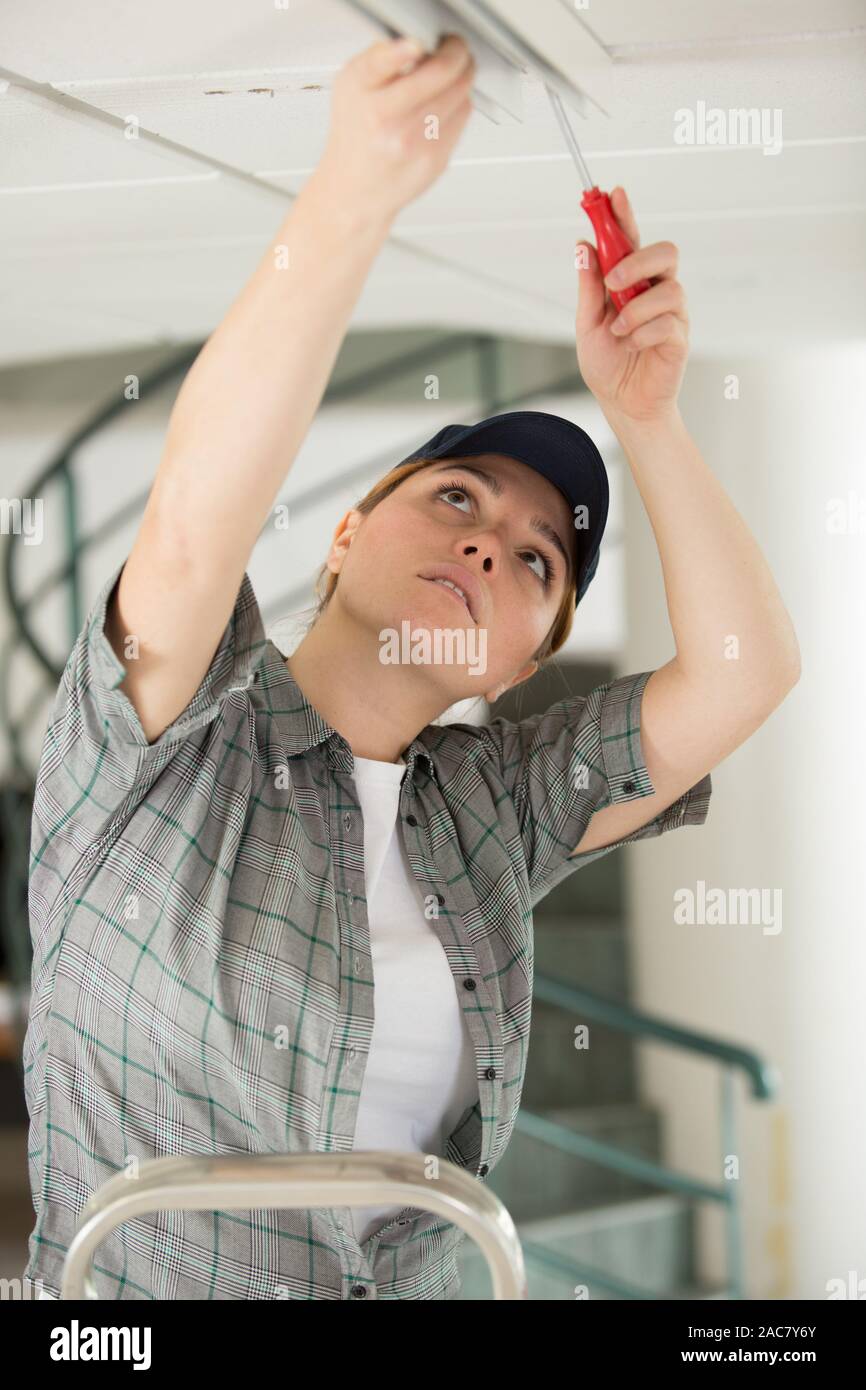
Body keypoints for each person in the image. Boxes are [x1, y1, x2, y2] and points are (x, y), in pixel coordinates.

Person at [23, 33, 800, 1301]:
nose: (491, 544)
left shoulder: (498, 812)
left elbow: (742, 670)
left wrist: (647, 415)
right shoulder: (170, 729)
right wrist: (353, 195)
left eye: (537, 564)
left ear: (520, 657)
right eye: (455, 495)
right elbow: (191, 511)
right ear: (343, 533)